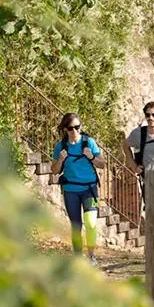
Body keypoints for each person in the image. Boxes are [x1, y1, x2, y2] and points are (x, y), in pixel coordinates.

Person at [51, 113, 105, 266]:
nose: (74, 131)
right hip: (71, 190)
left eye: (77, 127)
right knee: (76, 225)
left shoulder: (89, 143)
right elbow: (54, 170)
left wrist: (91, 157)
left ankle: (91, 257)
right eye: (70, 128)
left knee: (91, 222)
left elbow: (102, 164)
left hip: (90, 188)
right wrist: (60, 159)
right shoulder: (60, 147)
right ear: (65, 130)